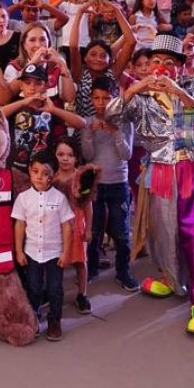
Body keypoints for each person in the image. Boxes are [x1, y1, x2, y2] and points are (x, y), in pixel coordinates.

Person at [106, 33, 194, 336]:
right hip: (160, 170)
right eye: (155, 63)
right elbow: (110, 115)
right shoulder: (141, 98)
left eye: (168, 63)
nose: (160, 69)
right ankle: (173, 280)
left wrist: (177, 92)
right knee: (164, 232)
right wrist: (134, 89)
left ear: (179, 66)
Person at [80, 77, 138, 289]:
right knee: (93, 230)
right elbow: (87, 155)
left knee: (121, 230)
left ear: (115, 99)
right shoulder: (86, 121)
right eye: (97, 98)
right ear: (91, 99)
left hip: (119, 183)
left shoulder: (125, 122)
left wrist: (115, 133)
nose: (102, 103)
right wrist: (88, 133)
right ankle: (92, 268)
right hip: (96, 184)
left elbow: (126, 155)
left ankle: (124, 272)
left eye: (107, 98)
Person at [12, 152, 74, 342]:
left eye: (44, 173)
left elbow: (67, 227)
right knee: (33, 287)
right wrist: (19, 251)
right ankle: (34, 317)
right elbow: (20, 225)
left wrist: (66, 253)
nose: (39, 176)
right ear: (30, 172)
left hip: (54, 253)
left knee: (55, 289)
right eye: (35, 171)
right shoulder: (23, 198)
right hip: (31, 253)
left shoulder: (59, 198)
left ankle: (54, 321)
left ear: (52, 176)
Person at [52, 138, 96, 315]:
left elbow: (87, 206)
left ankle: (82, 294)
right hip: (56, 227)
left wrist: (89, 229)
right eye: (61, 154)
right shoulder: (51, 178)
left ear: (76, 158)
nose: (65, 159)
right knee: (56, 262)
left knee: (80, 261)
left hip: (77, 224)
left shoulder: (81, 178)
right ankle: (55, 293)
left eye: (69, 155)